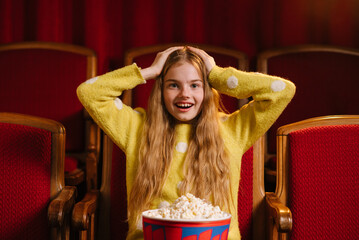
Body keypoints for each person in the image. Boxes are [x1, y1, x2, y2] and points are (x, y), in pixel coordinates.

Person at [77, 46, 296, 239]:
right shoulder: (137, 128)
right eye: (173, 85)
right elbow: (89, 93)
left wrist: (218, 75)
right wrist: (148, 72)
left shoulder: (230, 130)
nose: (184, 94)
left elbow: (282, 91)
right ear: (160, 90)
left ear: (207, 90)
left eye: (195, 85)